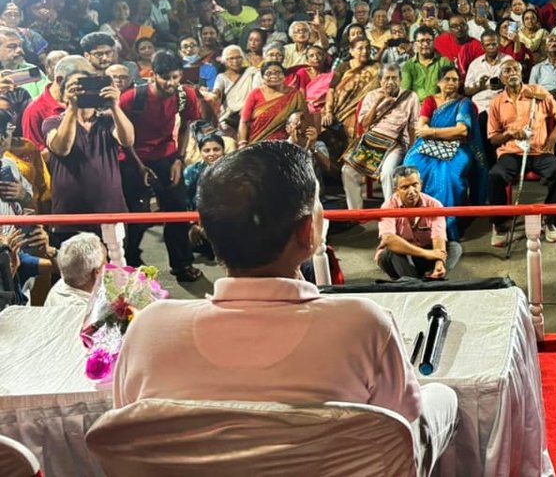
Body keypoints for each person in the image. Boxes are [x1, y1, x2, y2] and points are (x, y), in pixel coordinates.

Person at [112, 142, 458, 472]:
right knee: (443, 398)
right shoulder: (362, 324)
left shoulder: (149, 329)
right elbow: (404, 420)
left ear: (207, 230)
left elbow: (128, 432)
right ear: (309, 231)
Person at [119, 50, 210, 281]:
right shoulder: (132, 98)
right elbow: (121, 136)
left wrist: (179, 159)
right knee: (136, 216)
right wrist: (139, 167)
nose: (171, 83)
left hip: (167, 158)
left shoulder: (184, 95)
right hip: (133, 159)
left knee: (178, 212)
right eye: (165, 78)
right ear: (153, 75)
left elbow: (185, 127)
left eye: (176, 77)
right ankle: (132, 263)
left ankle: (182, 264)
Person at [45, 57, 133, 266]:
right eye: (75, 89)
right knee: (76, 273)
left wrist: (115, 106)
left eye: (85, 88)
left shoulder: (107, 120)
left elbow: (128, 140)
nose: (81, 93)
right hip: (69, 216)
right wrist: (73, 109)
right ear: (64, 92)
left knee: (114, 272)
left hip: (110, 213)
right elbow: (61, 148)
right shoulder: (53, 121)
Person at [486, 59, 556, 246]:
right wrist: (508, 134)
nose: (512, 72)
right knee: (495, 176)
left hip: (539, 151)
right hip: (511, 153)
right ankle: (499, 224)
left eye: (516, 68)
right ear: (501, 78)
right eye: (507, 70)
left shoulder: (537, 92)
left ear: (522, 73)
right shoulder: (496, 102)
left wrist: (553, 136)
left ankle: (549, 220)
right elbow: (493, 139)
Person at [401, 64, 487, 240]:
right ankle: (418, 224)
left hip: (458, 148)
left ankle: (446, 228)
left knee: (447, 176)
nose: (451, 83)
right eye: (447, 79)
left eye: (455, 79)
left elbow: (462, 131)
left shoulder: (464, 103)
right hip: (428, 147)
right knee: (411, 166)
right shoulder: (430, 101)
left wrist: (432, 132)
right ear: (438, 82)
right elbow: (420, 128)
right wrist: (435, 132)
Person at [342, 62, 421, 209]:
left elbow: (412, 127)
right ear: (380, 80)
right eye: (386, 78)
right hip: (371, 142)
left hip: (395, 143)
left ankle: (390, 212)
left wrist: (411, 149)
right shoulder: (372, 96)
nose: (390, 82)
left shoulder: (411, 97)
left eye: (394, 78)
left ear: (400, 79)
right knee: (347, 171)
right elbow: (365, 123)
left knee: (388, 172)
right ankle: (355, 213)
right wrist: (379, 102)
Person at [375, 166, 460, 280]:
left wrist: (439, 262)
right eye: (405, 187)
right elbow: (389, 240)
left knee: (455, 248)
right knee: (389, 251)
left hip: (425, 256)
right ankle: (417, 284)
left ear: (421, 184)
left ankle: (431, 276)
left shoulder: (434, 204)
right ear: (396, 189)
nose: (412, 191)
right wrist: (426, 253)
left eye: (415, 185)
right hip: (401, 258)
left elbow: (438, 236)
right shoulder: (388, 206)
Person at [238, 61, 306, 146]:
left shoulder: (294, 94)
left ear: (284, 76)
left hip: (285, 143)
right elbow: (244, 121)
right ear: (262, 77)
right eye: (269, 73)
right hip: (257, 142)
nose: (274, 76)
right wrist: (242, 143)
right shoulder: (255, 93)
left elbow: (304, 118)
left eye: (278, 73)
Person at [44, 232, 107, 309]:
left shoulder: (63, 283)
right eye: (106, 260)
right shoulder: (88, 311)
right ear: (97, 273)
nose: (109, 265)